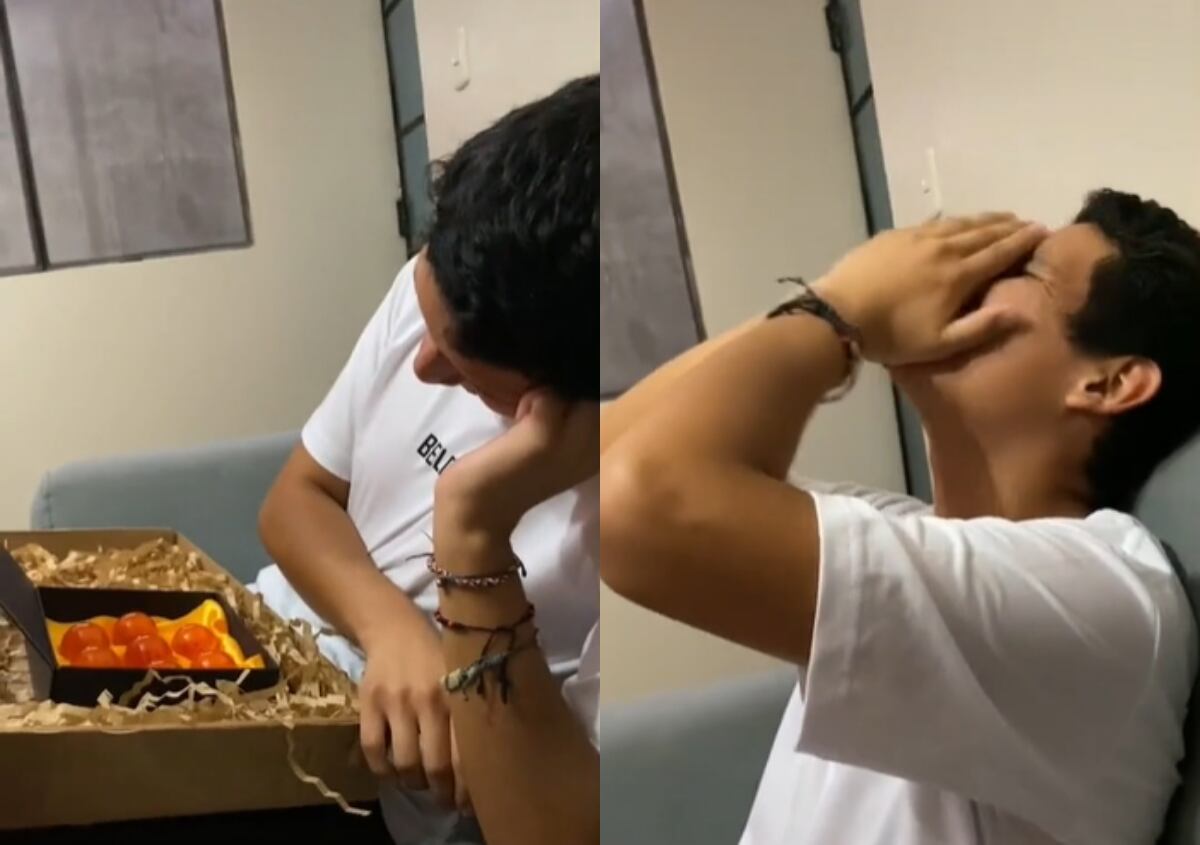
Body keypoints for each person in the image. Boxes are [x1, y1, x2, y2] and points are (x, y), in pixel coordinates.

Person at [600, 190, 1200, 844]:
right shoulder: (908, 533)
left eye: (1024, 270)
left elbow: (645, 506)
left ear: (1109, 383)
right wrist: (834, 297)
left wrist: (840, 313)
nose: (966, 278)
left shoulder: (1100, 596)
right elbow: (611, 459)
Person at [257, 75, 599, 845]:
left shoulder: (624, 510)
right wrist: (393, 630)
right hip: (265, 659)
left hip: (367, 795)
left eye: (462, 360)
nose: (423, 363)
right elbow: (295, 498)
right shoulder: (439, 280)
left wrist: (472, 522)